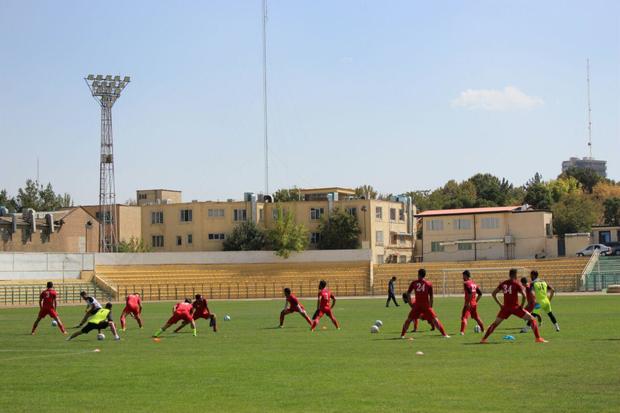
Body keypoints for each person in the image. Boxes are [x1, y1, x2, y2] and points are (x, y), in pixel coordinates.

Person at [480, 269, 547, 344]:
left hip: (505, 308)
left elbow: (493, 293)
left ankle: (483, 339)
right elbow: (524, 296)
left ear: (509, 274)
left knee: (495, 324)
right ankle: (538, 338)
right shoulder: (517, 283)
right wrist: (521, 306)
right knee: (532, 319)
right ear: (515, 275)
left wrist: (500, 304)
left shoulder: (504, 283)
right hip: (515, 308)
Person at [401, 269, 449, 339]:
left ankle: (402, 335)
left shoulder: (414, 283)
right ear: (424, 275)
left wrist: (410, 303)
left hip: (417, 305)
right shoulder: (429, 283)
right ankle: (444, 335)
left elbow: (408, 293)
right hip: (426, 305)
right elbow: (431, 296)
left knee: (409, 320)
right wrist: (431, 306)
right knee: (435, 320)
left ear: (418, 274)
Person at [460, 270, 484, 335]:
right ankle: (483, 330)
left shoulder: (466, 283)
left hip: (469, 304)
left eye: (463, 275)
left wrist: (468, 303)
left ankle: (462, 332)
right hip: (474, 304)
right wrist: (475, 301)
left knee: (464, 317)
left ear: (465, 275)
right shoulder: (474, 283)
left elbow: (470, 294)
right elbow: (480, 294)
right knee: (476, 317)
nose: (462, 277)